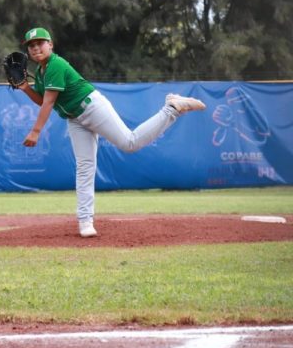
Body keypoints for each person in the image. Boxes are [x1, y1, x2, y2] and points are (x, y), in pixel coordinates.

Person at [16, 27, 206, 238]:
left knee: (130, 142)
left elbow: (48, 103)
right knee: (85, 167)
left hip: (91, 107)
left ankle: (171, 108)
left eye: (40, 43)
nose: (35, 48)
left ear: (50, 44)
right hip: (74, 119)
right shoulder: (41, 74)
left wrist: (35, 131)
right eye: (31, 46)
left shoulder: (55, 65)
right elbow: (42, 99)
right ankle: (85, 221)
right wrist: (25, 88)